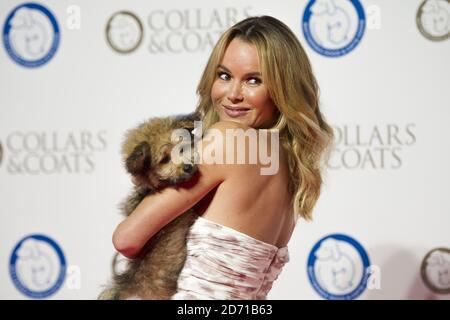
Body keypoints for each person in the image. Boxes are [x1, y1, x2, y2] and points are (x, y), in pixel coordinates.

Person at [112, 15, 334, 299]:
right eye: (224, 75)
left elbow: (127, 239)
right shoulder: (289, 163)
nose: (232, 94)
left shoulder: (227, 139)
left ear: (281, 89)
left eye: (253, 80)